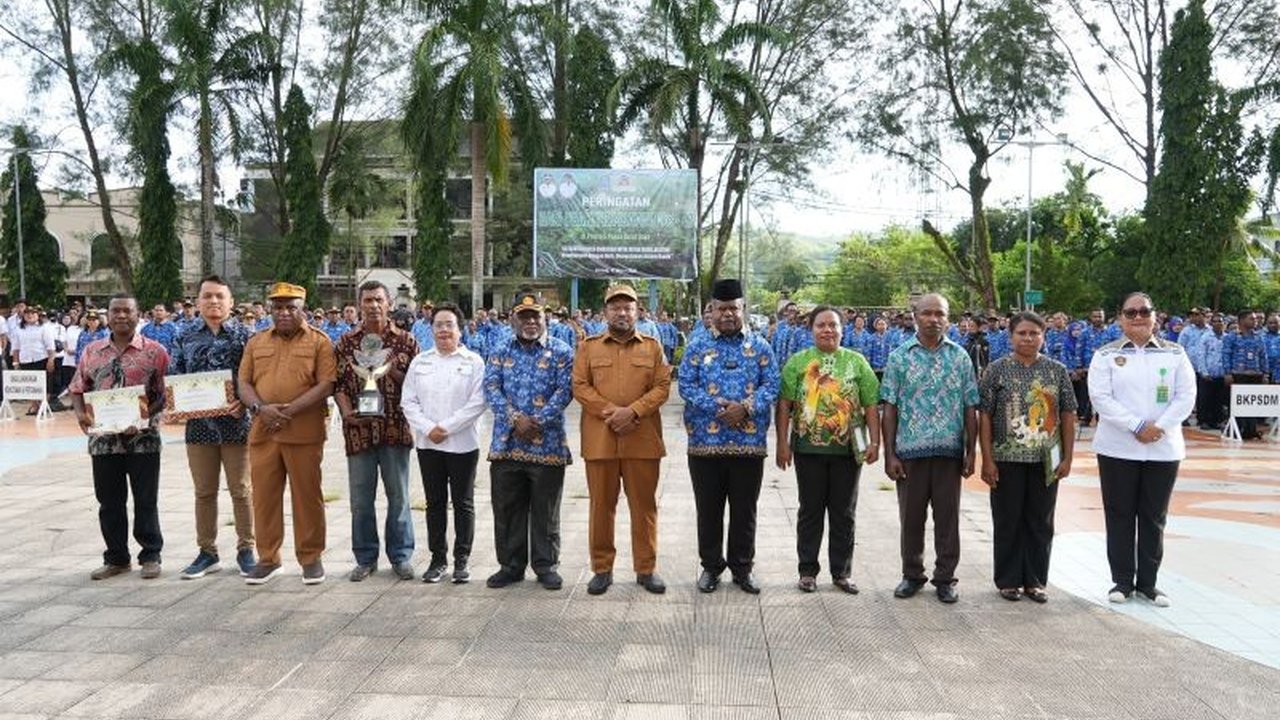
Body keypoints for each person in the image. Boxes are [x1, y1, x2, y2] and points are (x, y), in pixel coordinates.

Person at [1088, 292, 1195, 607]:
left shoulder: (1175, 354)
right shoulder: (1105, 355)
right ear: (1120, 317)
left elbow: (1186, 395)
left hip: (1163, 447)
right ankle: (1121, 581)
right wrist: (1136, 426)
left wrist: (1158, 427)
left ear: (1155, 316)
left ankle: (1149, 583)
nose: (1138, 317)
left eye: (1144, 311)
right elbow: (1101, 398)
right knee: (1120, 515)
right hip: (1118, 447)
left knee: (1153, 516)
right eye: (1130, 312)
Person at [679, 279, 779, 595]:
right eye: (722, 308)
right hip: (705, 445)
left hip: (748, 445)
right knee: (708, 509)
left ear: (743, 309)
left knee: (744, 510)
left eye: (733, 308)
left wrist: (746, 408)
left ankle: (742, 568)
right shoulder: (697, 346)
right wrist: (719, 407)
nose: (728, 314)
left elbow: (773, 384)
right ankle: (711, 567)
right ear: (711, 310)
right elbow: (685, 385)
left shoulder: (760, 346)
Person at [572, 284, 672, 596]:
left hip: (641, 438)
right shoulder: (589, 347)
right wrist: (611, 412)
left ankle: (646, 568)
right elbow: (579, 385)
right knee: (601, 506)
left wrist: (634, 412)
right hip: (601, 439)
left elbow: (662, 385)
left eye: (628, 307)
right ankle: (602, 568)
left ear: (637, 311)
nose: (622, 312)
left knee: (644, 507)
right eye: (615, 307)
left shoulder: (652, 347)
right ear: (605, 313)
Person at [880, 293, 978, 604]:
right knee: (911, 518)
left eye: (940, 314)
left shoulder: (960, 357)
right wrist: (890, 453)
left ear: (948, 319)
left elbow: (970, 407)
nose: (933, 319)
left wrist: (971, 451)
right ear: (914, 317)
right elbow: (890, 408)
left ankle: (946, 578)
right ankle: (912, 575)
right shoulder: (899, 357)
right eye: (927, 313)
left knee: (948, 518)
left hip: (949, 453)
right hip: (910, 453)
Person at [237, 282, 337, 585]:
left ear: (302, 309)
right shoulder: (256, 343)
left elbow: (327, 384)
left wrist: (289, 410)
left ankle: (310, 557)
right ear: (270, 310)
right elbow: (244, 383)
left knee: (307, 497)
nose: (283, 313)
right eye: (277, 307)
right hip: (263, 431)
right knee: (264, 497)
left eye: (290, 307)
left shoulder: (319, 342)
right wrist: (260, 409)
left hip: (303, 432)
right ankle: (268, 558)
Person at [776, 305, 879, 594]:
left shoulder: (857, 363)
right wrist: (782, 443)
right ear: (811, 330)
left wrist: (875, 441)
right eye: (821, 325)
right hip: (808, 449)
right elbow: (785, 404)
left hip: (848, 450)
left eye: (833, 325)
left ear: (842, 329)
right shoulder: (799, 362)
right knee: (810, 510)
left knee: (844, 512)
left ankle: (841, 572)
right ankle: (807, 570)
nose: (827, 330)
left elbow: (871, 403)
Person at [68, 294, 169, 580]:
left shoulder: (156, 352)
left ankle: (150, 556)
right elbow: (78, 388)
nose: (121, 316)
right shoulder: (92, 351)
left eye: (128, 311)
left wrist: (145, 417)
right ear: (107, 316)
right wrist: (79, 415)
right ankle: (116, 558)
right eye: (116, 311)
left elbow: (165, 394)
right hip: (104, 441)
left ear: (138, 315)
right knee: (109, 502)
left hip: (144, 439)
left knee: (146, 500)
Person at [978, 312, 1077, 603]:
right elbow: (984, 415)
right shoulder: (996, 370)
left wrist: (1068, 457)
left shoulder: (1056, 371)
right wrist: (987, 458)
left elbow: (1068, 414)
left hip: (1045, 460)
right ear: (1011, 336)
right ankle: (1008, 580)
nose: (1028, 338)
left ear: (1043, 336)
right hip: (1006, 458)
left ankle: (1035, 580)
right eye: (1021, 333)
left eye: (1034, 333)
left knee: (1040, 521)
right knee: (1008, 519)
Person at [483, 293, 575, 590]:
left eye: (536, 316)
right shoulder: (499, 350)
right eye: (524, 317)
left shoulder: (561, 351)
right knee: (508, 509)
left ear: (545, 318)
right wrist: (515, 419)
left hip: (546, 443)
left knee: (545, 510)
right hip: (507, 444)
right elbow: (491, 388)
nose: (531, 322)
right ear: (513, 320)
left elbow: (565, 391)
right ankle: (510, 566)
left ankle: (545, 565)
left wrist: (535, 421)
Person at [170, 275, 258, 579]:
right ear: (197, 302)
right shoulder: (184, 336)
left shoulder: (246, 336)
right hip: (199, 427)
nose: (214, 302)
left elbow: (255, 378)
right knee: (204, 492)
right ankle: (207, 552)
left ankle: (246, 549)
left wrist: (245, 403)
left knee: (242, 490)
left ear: (231, 302)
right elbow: (175, 376)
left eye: (220, 296)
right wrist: (176, 406)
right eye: (207, 296)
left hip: (237, 424)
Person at [334, 281, 420, 582]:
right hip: (359, 430)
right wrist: (347, 415)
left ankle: (401, 556)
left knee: (398, 497)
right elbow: (340, 385)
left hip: (395, 429)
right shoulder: (346, 342)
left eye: (378, 300)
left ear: (389, 303)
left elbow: (415, 385)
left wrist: (385, 367)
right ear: (359, 304)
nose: (373, 305)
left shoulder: (407, 341)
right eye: (367, 300)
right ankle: (366, 557)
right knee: (360, 499)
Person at [401, 302, 487, 584]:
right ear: (431, 329)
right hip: (429, 445)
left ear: (460, 330)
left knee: (463, 503)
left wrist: (446, 428)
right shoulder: (420, 362)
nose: (444, 330)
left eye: (449, 324)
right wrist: (428, 428)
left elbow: (478, 403)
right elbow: (408, 401)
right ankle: (438, 560)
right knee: (434, 503)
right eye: (438, 325)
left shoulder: (473, 362)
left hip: (462, 444)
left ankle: (461, 560)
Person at [1221, 309, 1269, 440]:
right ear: (1242, 321)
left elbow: (1263, 356)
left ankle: (1251, 430)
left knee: (1252, 404)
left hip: (1255, 374)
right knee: (1238, 404)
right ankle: (1237, 429)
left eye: (1255, 319)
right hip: (1238, 374)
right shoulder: (1231, 336)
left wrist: (1265, 374)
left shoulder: (1258, 336)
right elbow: (1226, 355)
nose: (1255, 321)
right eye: (1251, 319)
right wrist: (1227, 373)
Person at [1191, 314, 1226, 431]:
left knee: (1218, 399)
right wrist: (1204, 371)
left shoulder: (1226, 338)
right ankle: (1204, 420)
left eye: (1220, 321)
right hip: (1207, 374)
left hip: (1221, 374)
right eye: (1215, 321)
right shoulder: (1205, 337)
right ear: (1211, 324)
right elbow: (1200, 355)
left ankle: (1216, 420)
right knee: (1205, 398)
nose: (1218, 323)